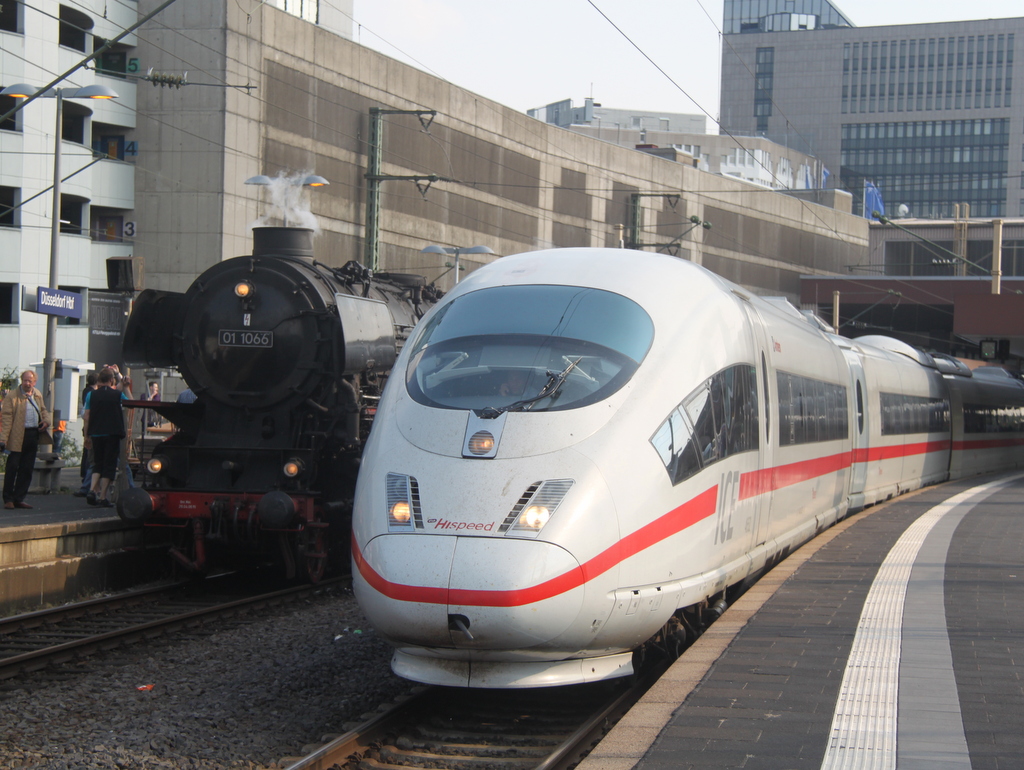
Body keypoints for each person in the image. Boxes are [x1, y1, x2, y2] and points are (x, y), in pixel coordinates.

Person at [0, 370, 51, 510]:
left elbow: (44, 410)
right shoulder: (12, 396)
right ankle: (8, 498)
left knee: (27, 468)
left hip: (32, 434)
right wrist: (3, 439)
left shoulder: (37, 394)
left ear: (34, 382)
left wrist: (47, 421)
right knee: (12, 466)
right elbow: (7, 418)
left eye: (30, 381)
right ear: (21, 381)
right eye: (25, 380)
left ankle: (19, 498)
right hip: (16, 435)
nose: (27, 383)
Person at [82, 367, 132, 508]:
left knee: (98, 463)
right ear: (111, 380)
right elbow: (131, 404)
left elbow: (87, 416)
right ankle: (103, 496)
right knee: (109, 465)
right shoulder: (117, 394)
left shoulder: (91, 395)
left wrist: (87, 436)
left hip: (96, 433)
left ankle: (92, 490)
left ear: (98, 380)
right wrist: (126, 387)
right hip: (112, 433)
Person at [74, 372, 99, 497]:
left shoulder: (86, 392)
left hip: (89, 430)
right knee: (94, 460)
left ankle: (86, 484)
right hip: (96, 430)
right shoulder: (93, 394)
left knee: (89, 457)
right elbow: (86, 415)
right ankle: (91, 487)